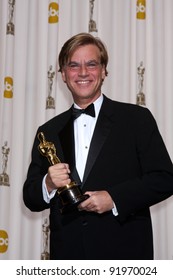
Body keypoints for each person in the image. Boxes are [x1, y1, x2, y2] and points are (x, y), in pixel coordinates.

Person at [23, 32, 173, 260]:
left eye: (91, 64)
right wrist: (48, 183)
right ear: (63, 74)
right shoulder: (48, 131)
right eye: (73, 65)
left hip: (125, 255)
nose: (83, 72)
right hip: (68, 257)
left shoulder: (136, 119)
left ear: (104, 70)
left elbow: (165, 178)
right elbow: (31, 197)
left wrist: (114, 198)